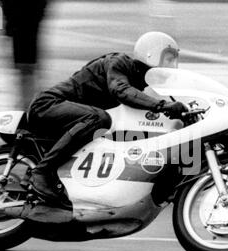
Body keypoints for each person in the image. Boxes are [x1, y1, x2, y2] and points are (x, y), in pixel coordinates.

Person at [27, 31, 188, 204]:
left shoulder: (140, 82)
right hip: (48, 105)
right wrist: (162, 106)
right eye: (169, 59)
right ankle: (42, 172)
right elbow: (120, 90)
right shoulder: (119, 62)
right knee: (99, 119)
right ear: (152, 54)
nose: (173, 65)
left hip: (68, 116)